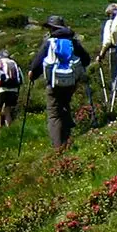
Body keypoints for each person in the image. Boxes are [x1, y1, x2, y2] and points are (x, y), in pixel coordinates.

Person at [27, 15, 93, 150]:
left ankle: (58, 147)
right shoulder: (73, 42)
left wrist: (33, 74)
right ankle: (67, 136)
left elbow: (37, 63)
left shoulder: (49, 42)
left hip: (53, 83)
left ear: (52, 29)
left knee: (54, 113)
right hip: (71, 82)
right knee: (65, 105)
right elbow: (86, 59)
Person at [99, 2, 117, 106]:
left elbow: (107, 41)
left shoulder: (110, 23)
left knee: (115, 72)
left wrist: (101, 54)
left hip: (114, 50)